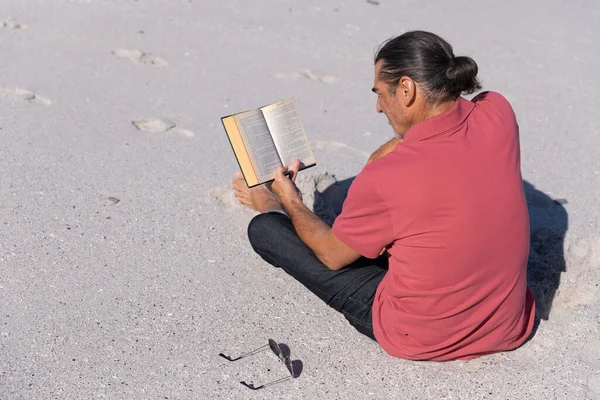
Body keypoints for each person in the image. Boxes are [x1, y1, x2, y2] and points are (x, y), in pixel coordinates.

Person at [231, 30, 535, 361]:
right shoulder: (498, 112)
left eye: (380, 93)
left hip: (422, 336)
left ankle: (270, 204)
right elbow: (438, 133)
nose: (378, 107)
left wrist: (288, 200)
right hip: (508, 324)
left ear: (407, 89)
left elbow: (332, 257)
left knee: (265, 230)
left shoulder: (388, 178)